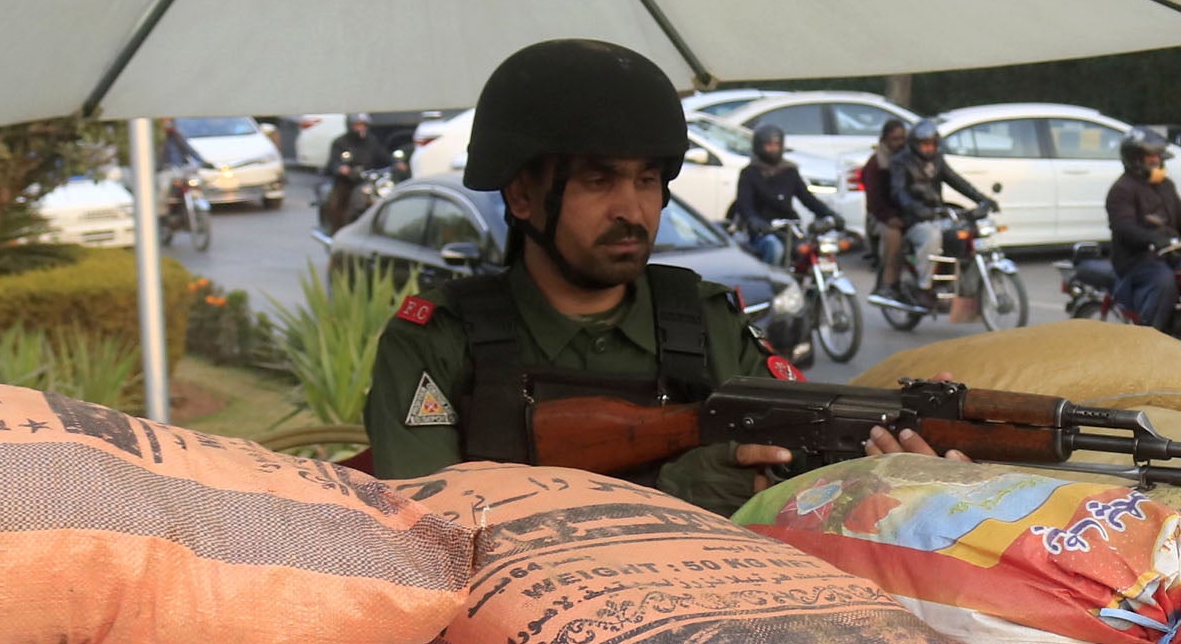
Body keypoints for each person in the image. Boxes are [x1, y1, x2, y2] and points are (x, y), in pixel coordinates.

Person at [363, 40, 937, 510]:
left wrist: (907, 475)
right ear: (521, 195)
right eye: (598, 181)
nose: (631, 210)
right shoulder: (437, 341)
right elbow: (430, 537)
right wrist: (670, 494)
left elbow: (813, 474)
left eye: (646, 180)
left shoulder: (706, 322)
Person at [1105, 127, 1181, 328]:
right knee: (1164, 281)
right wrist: (1152, 238)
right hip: (1137, 260)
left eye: (1158, 156)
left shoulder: (1165, 185)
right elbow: (1123, 226)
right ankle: (1150, 336)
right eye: (1151, 156)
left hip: (1169, 255)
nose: (1157, 160)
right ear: (1135, 158)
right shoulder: (1122, 190)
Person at [888, 118, 994, 304]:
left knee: (965, 233)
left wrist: (983, 199)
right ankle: (924, 287)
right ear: (915, 144)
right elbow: (899, 193)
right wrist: (917, 209)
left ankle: (959, 282)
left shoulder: (937, 161)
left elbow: (957, 181)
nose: (929, 149)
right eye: (925, 145)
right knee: (932, 236)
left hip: (937, 213)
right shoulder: (900, 162)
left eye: (932, 144)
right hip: (913, 219)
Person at [730, 124, 837, 267]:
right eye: (769, 145)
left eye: (777, 145)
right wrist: (754, 220)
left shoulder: (789, 171)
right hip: (763, 231)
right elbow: (744, 205)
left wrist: (829, 214)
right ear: (759, 146)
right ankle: (772, 283)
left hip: (789, 229)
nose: (773, 149)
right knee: (775, 248)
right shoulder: (750, 173)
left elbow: (808, 199)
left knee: (816, 249)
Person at [861, 119, 912, 295]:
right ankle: (888, 283)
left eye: (902, 139)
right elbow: (874, 201)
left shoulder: (911, 158)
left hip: (908, 212)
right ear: (885, 139)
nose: (899, 143)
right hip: (881, 217)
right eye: (895, 139)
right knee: (894, 237)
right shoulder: (876, 164)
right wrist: (889, 217)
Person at [319, 114, 394, 232]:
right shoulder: (340, 142)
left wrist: (397, 163)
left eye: (363, 125)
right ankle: (336, 231)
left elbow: (384, 157)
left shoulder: (371, 141)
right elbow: (333, 163)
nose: (361, 128)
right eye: (358, 125)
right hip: (346, 182)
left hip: (367, 180)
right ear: (350, 126)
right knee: (335, 203)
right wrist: (342, 169)